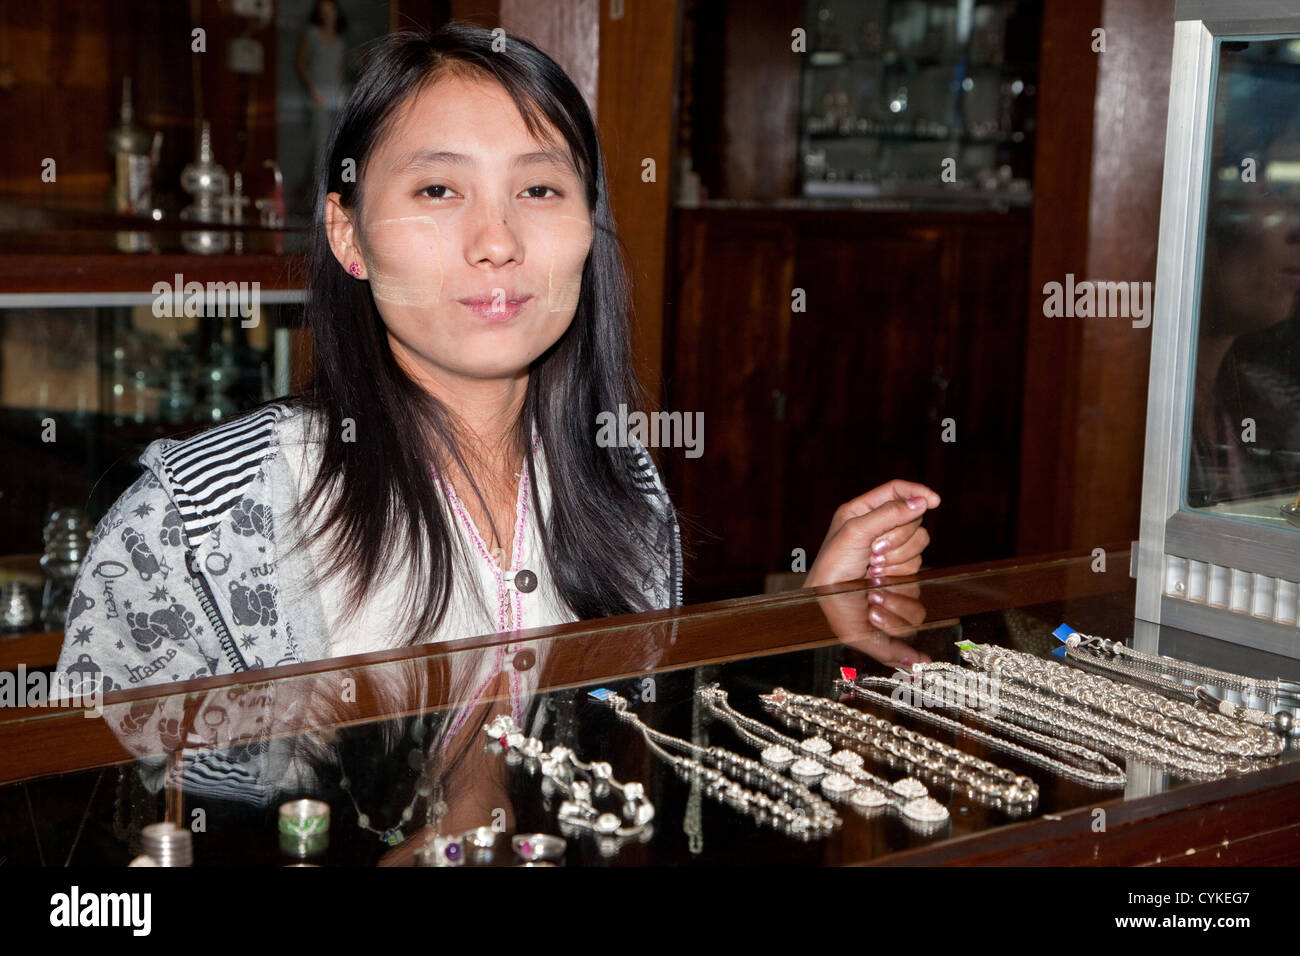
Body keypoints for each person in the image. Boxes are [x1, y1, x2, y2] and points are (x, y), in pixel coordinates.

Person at [54, 22, 939, 698]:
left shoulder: (621, 486)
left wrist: (805, 621)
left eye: (540, 189)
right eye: (438, 190)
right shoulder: (198, 517)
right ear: (347, 233)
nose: (496, 242)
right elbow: (93, 820)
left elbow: (634, 752)